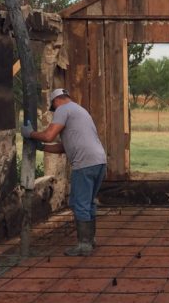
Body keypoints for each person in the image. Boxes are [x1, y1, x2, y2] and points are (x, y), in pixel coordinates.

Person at [22, 88, 107, 257]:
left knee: (78, 203)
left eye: (53, 108)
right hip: (99, 161)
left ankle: (84, 245)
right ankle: (90, 239)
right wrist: (42, 148)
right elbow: (64, 146)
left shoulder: (63, 109)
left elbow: (49, 135)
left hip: (84, 163)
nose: (54, 112)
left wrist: (30, 134)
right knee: (88, 203)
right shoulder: (80, 111)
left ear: (56, 101)